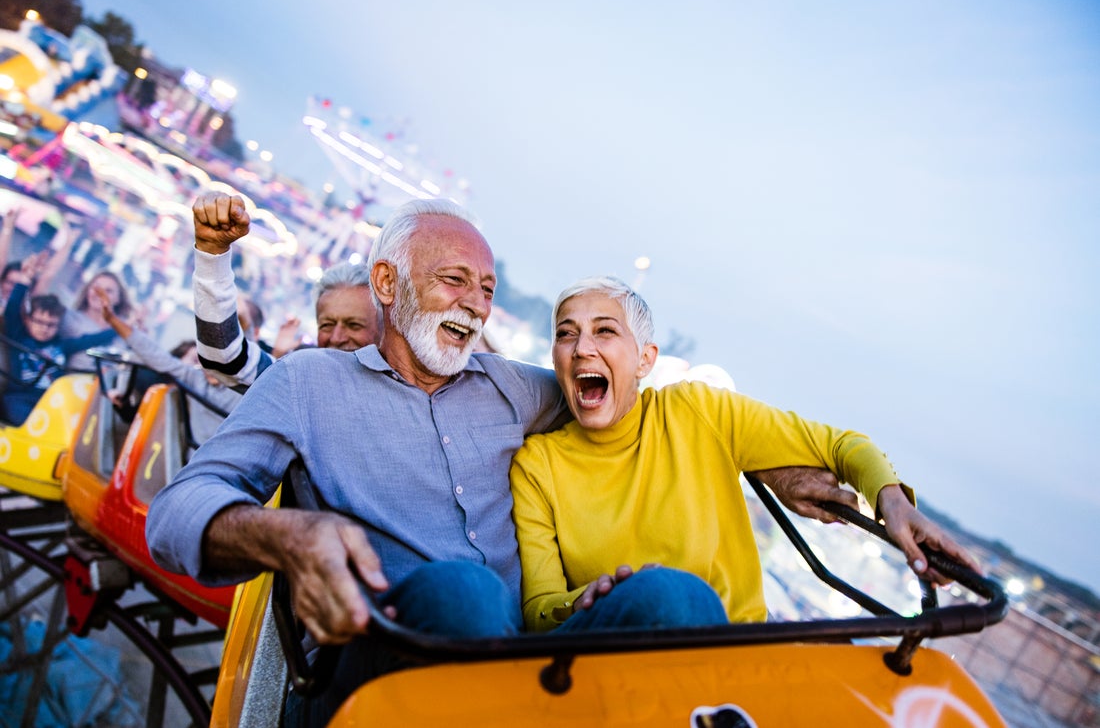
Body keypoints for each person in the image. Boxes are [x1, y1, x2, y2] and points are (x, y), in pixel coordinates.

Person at [148, 198, 869, 724]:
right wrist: (288, 536)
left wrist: (771, 465)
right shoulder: (308, 382)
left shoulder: (513, 389)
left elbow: (623, 397)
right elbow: (180, 507)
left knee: (676, 600)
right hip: (389, 654)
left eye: (487, 290)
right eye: (456, 280)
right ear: (390, 284)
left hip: (525, 657)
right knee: (466, 593)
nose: (477, 305)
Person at [510, 276, 980, 634]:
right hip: (612, 660)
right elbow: (539, 611)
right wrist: (588, 601)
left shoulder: (697, 411)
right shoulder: (537, 465)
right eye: (566, 334)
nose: (581, 348)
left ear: (645, 361)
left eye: (604, 331)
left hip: (738, 651)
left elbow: (841, 446)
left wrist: (893, 504)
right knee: (665, 596)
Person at [189, 192, 381, 388]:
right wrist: (211, 251)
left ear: (382, 332)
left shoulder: (400, 402)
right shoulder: (302, 386)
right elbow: (223, 358)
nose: (336, 337)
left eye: (354, 325)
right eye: (327, 325)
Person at [95, 287, 243, 444]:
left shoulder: (241, 392)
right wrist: (112, 319)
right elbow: (153, 353)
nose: (206, 362)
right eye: (203, 355)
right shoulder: (195, 379)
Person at [1, 279, 115, 424]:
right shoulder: (19, 337)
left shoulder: (61, 346)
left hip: (52, 401)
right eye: (39, 322)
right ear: (28, 320)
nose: (44, 328)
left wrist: (119, 328)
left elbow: (90, 340)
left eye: (51, 324)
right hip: (19, 397)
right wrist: (23, 282)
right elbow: (12, 312)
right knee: (29, 421)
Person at [60, 270, 133, 372]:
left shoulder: (128, 327)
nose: (100, 294)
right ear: (87, 291)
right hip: (71, 382)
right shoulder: (69, 318)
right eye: (96, 288)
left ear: (118, 298)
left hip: (110, 385)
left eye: (108, 291)